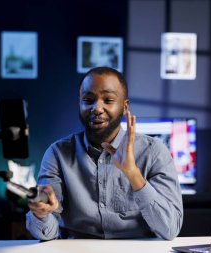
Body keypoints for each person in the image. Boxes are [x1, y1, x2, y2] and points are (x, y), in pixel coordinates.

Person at [26, 66, 183, 240]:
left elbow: (169, 229)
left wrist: (133, 174)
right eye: (88, 100)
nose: (97, 108)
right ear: (79, 102)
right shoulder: (57, 154)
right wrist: (41, 214)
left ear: (125, 107)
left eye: (108, 100)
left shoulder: (154, 152)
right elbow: (46, 233)